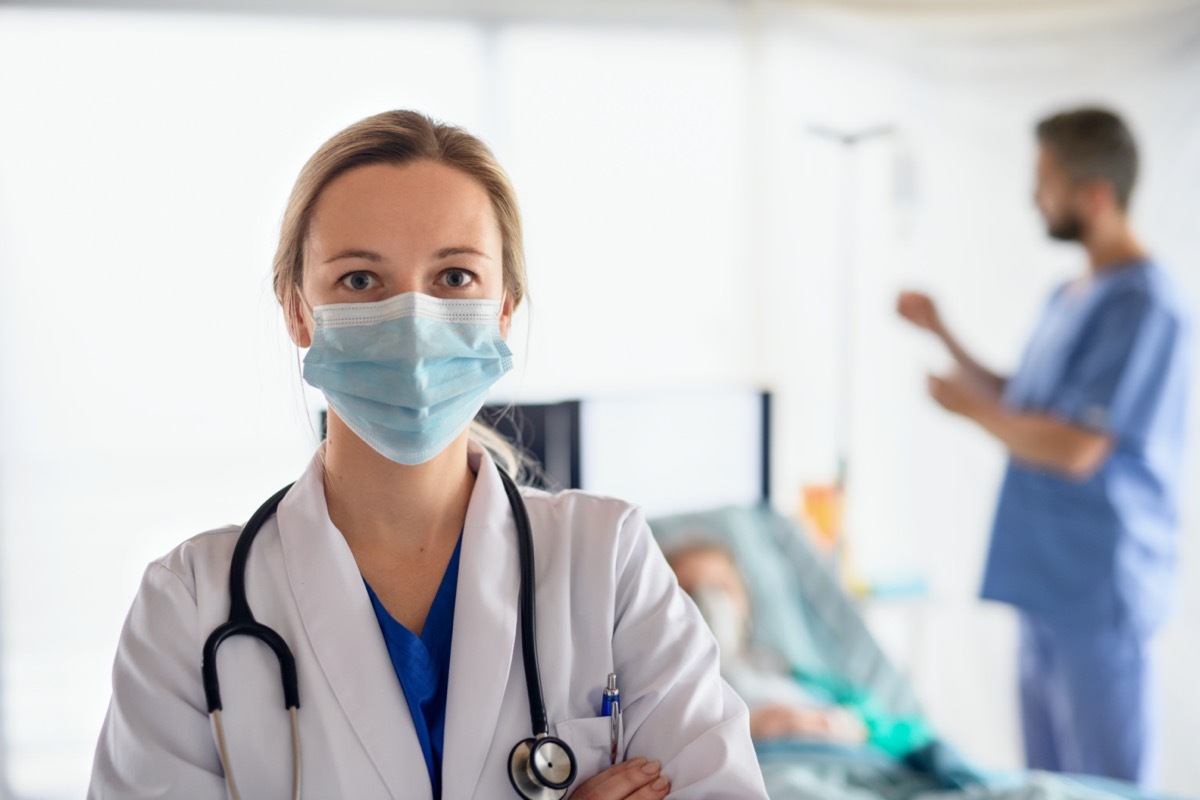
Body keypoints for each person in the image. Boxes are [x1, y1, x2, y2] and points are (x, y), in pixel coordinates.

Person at [88, 110, 769, 800]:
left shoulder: (607, 561)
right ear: (298, 310)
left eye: (453, 278)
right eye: (360, 280)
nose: (413, 319)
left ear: (505, 308)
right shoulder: (188, 607)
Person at [897, 108, 1190, 786]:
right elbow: (1022, 403)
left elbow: (1077, 447)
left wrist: (968, 410)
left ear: (1093, 194)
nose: (1035, 197)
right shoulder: (1068, 292)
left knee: (1108, 783)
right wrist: (942, 331)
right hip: (1043, 578)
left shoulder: (1145, 304)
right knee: (1048, 778)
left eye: (1045, 181)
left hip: (1097, 580)